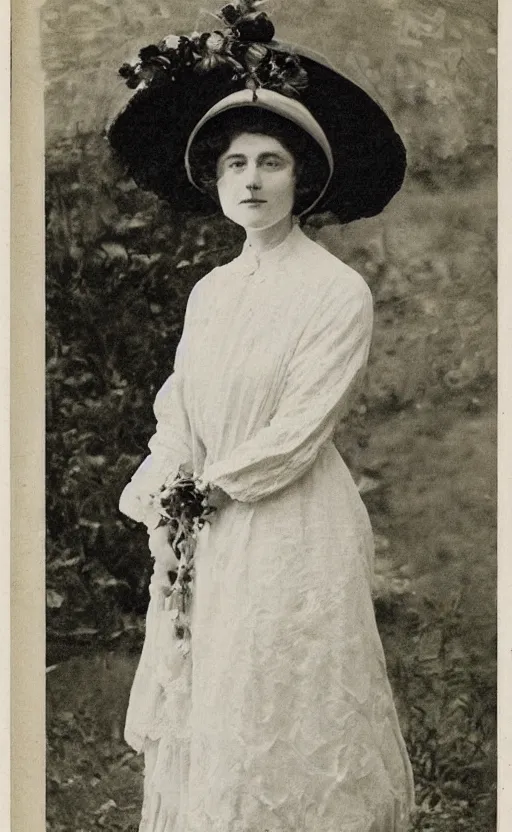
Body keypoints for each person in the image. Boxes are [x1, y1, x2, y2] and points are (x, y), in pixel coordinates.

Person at [108, 4, 415, 830]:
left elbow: (295, 432)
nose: (251, 180)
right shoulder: (212, 291)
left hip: (287, 519)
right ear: (214, 179)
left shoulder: (332, 292)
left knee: (278, 691)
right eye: (234, 163)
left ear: (302, 178)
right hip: (202, 522)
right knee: (209, 697)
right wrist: (166, 484)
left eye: (271, 162)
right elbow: (182, 403)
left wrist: (207, 490)